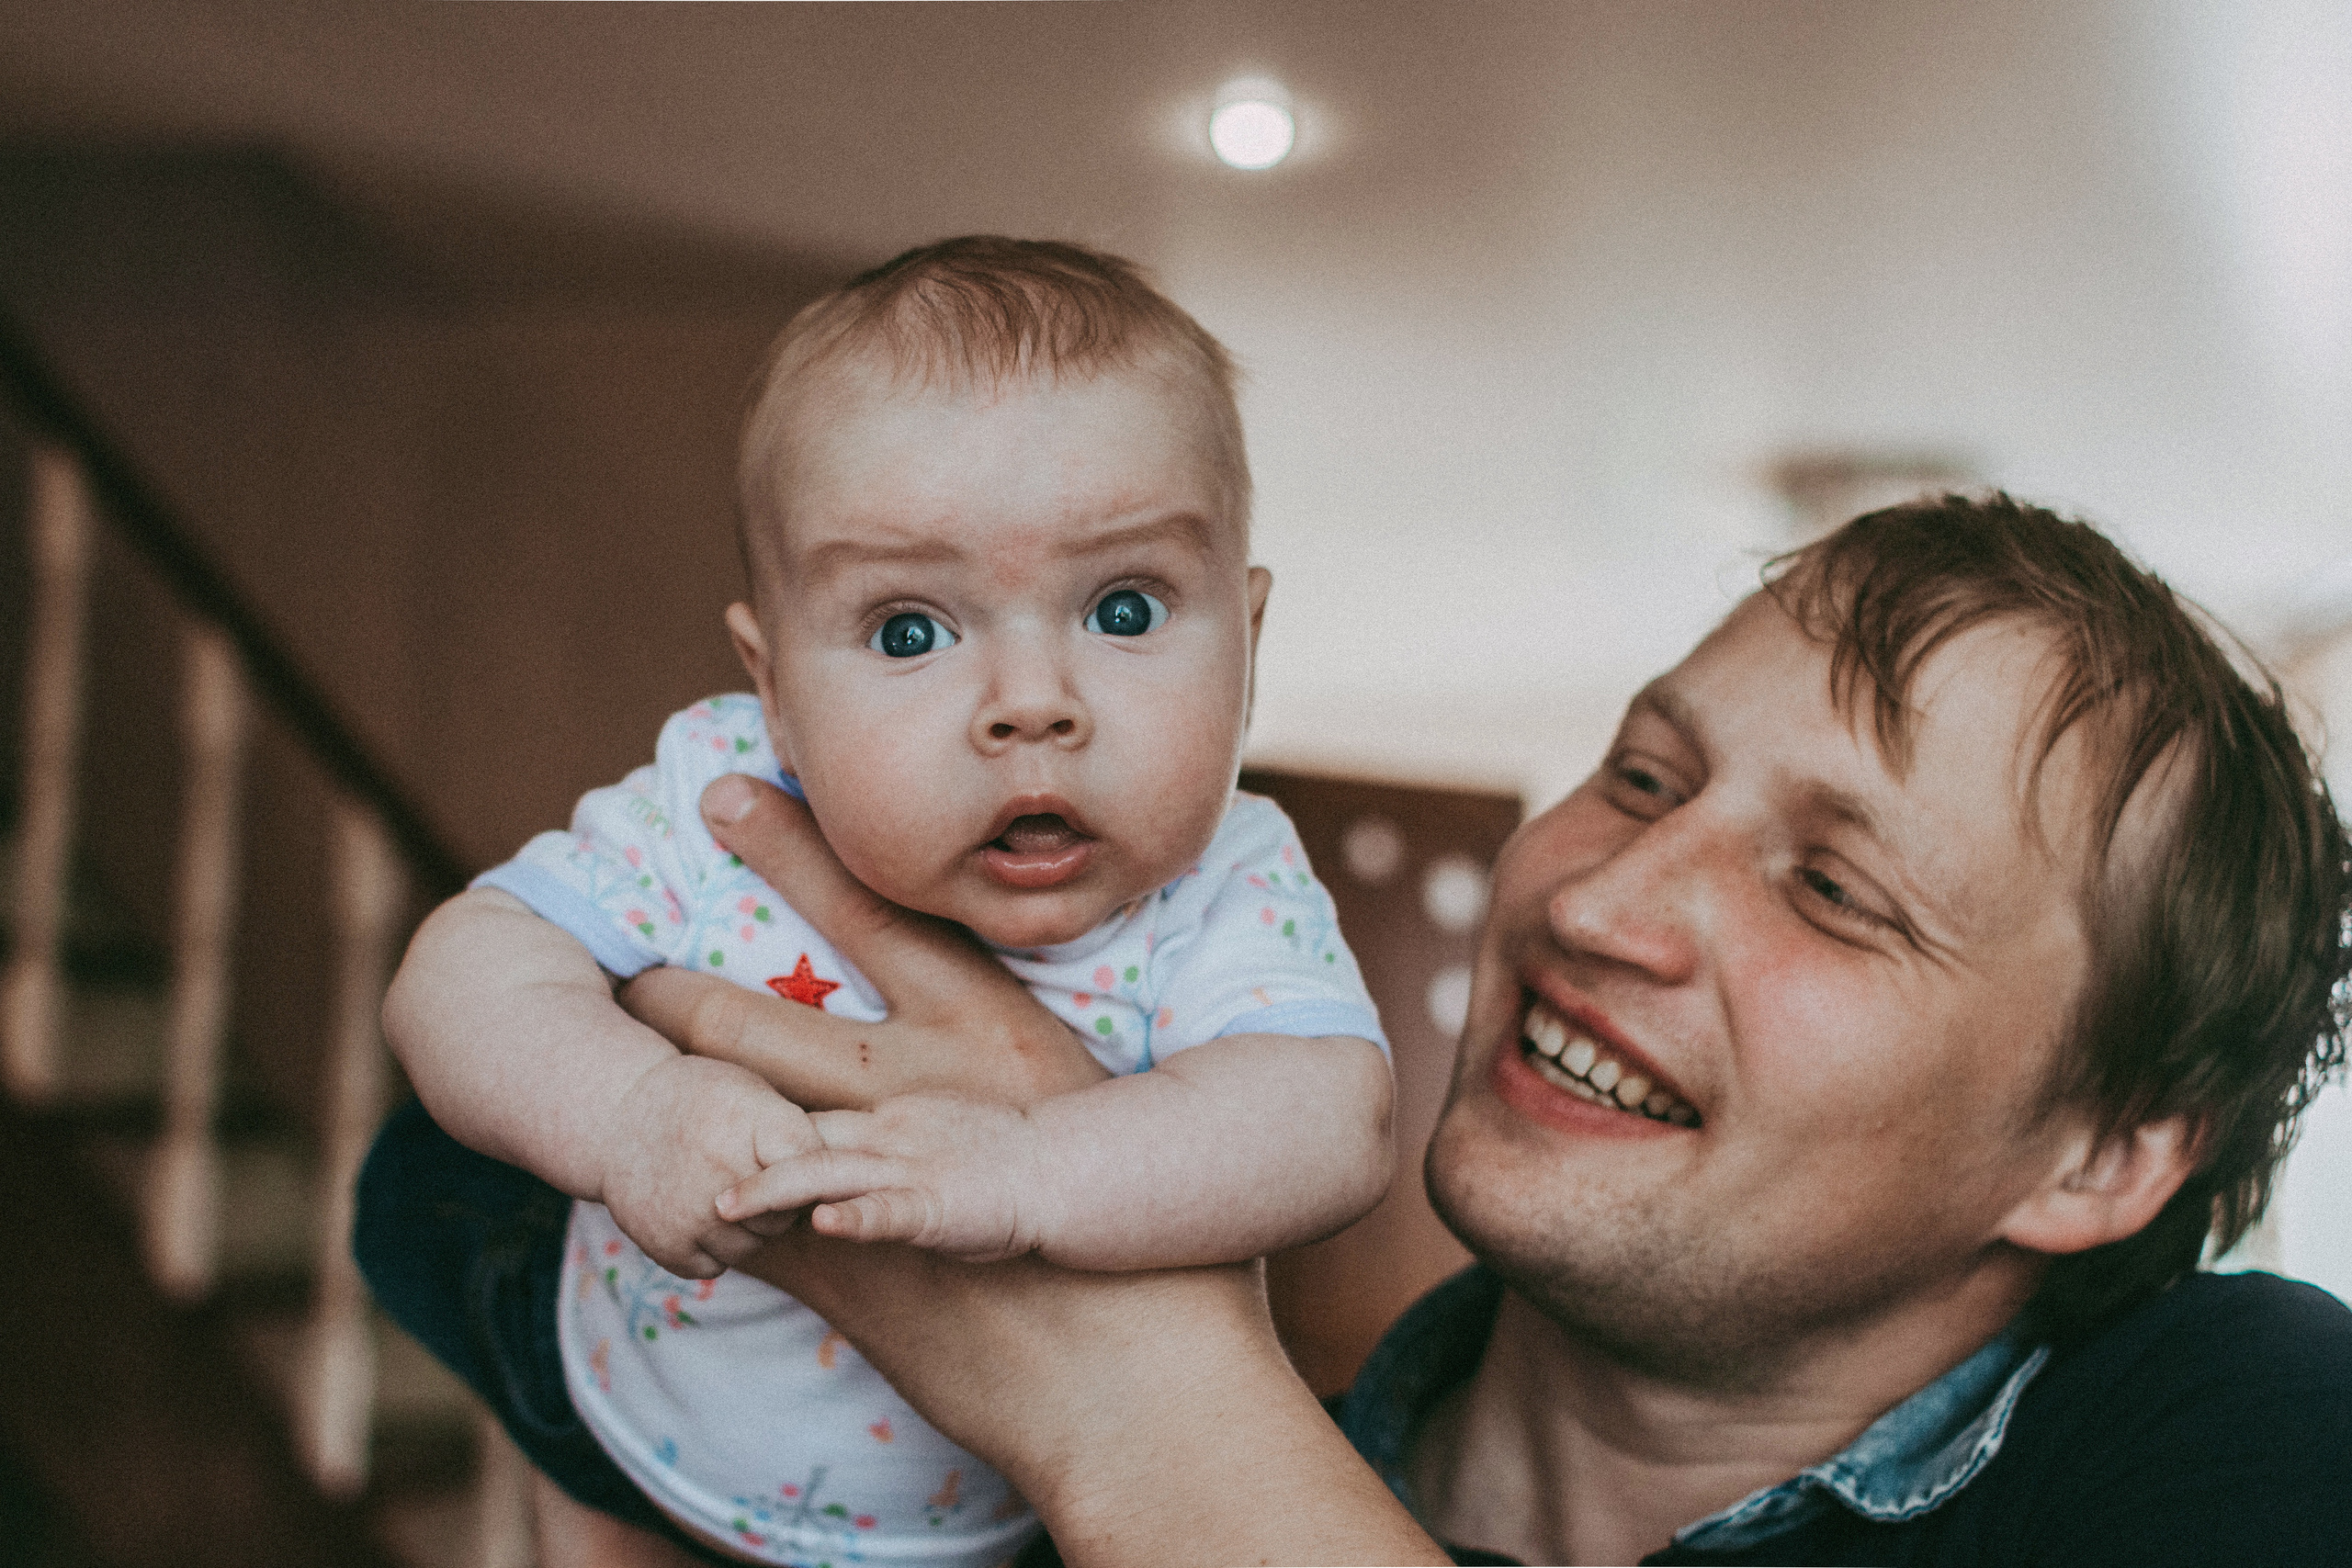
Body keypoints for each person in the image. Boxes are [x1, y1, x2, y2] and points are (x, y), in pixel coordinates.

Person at [617, 493, 2352, 1565]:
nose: (1596, 905)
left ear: (2100, 1152)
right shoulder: (969, 1510)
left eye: (1831, 889)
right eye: (1641, 777)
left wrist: (1137, 1400)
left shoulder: (2253, 1442)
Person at [365, 237, 1394, 1568]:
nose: (1034, 701)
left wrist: (1032, 1166)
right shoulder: (720, 793)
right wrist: (629, 1114)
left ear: (1249, 645)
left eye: (1125, 607)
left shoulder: (1232, 882)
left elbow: (1329, 1121)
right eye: (911, 630)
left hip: (976, 1531)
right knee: (424, 1193)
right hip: (612, 1392)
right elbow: (458, 970)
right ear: (776, 685)